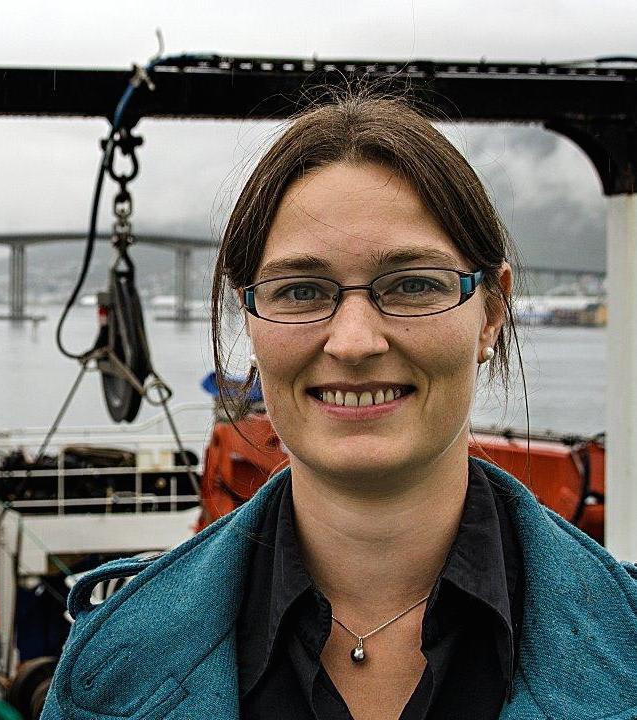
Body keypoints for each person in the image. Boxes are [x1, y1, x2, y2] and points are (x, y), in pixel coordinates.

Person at [40, 92, 637, 720]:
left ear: (490, 313)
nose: (353, 343)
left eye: (413, 284)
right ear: (249, 317)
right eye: (300, 290)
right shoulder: (115, 665)